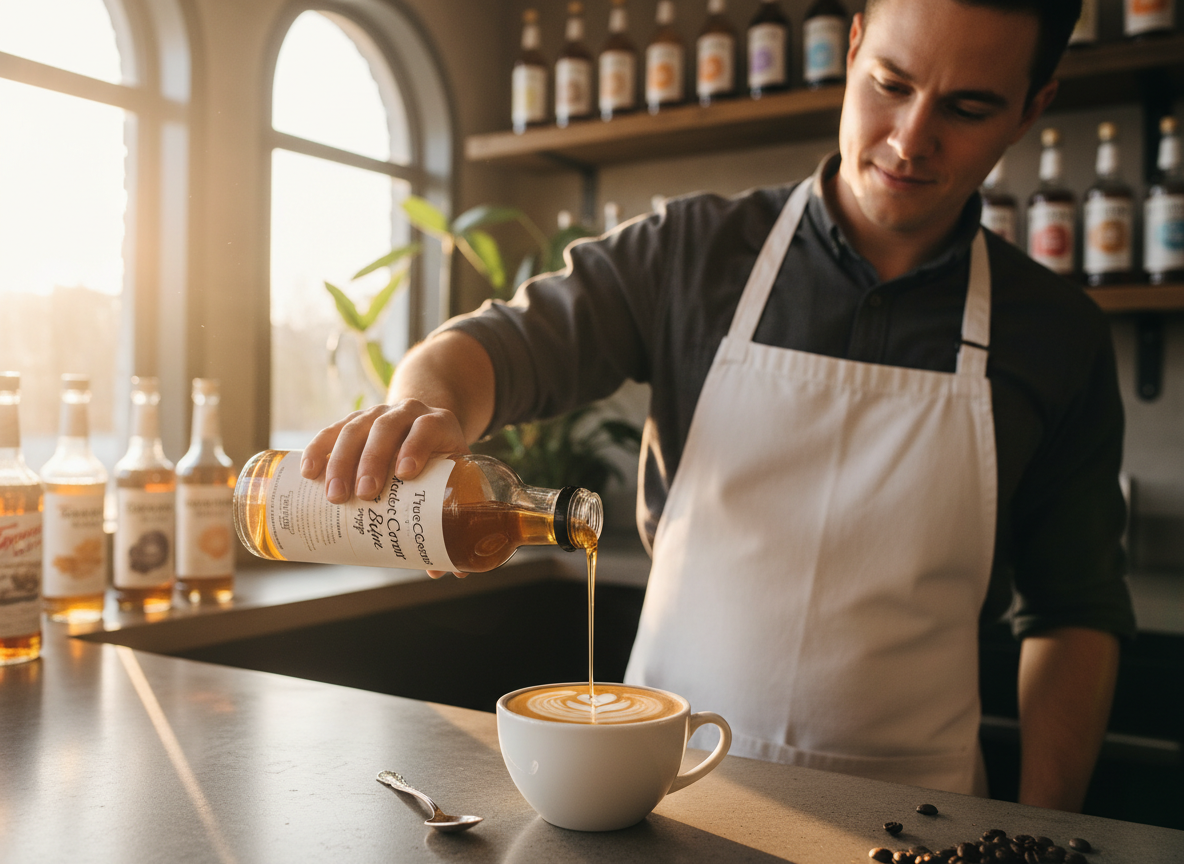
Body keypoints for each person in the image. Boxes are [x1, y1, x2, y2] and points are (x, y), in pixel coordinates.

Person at [302, 0, 1134, 809]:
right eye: (890, 83)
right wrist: (422, 407)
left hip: (919, 814)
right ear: (850, 49)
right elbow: (488, 349)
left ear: (1033, 108)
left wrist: (1045, 829)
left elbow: (1074, 614)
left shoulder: (1057, 335)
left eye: (968, 106)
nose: (911, 138)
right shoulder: (689, 254)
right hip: (658, 798)